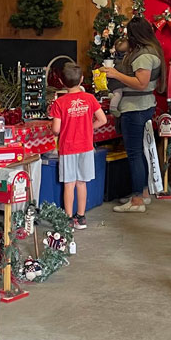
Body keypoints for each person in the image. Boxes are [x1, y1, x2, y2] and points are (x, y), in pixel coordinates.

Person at [102, 17, 166, 213]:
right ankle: (143, 193)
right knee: (140, 152)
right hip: (143, 106)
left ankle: (137, 200)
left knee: (135, 154)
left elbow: (141, 83)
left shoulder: (143, 56)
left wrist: (115, 74)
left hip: (135, 108)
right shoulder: (151, 50)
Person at [50, 64, 107, 230]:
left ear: (61, 82)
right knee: (82, 183)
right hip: (86, 147)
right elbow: (103, 120)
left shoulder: (59, 102)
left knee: (69, 184)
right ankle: (81, 218)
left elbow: (56, 129)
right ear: (81, 79)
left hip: (67, 147)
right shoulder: (90, 98)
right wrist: (89, 128)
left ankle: (68, 219)